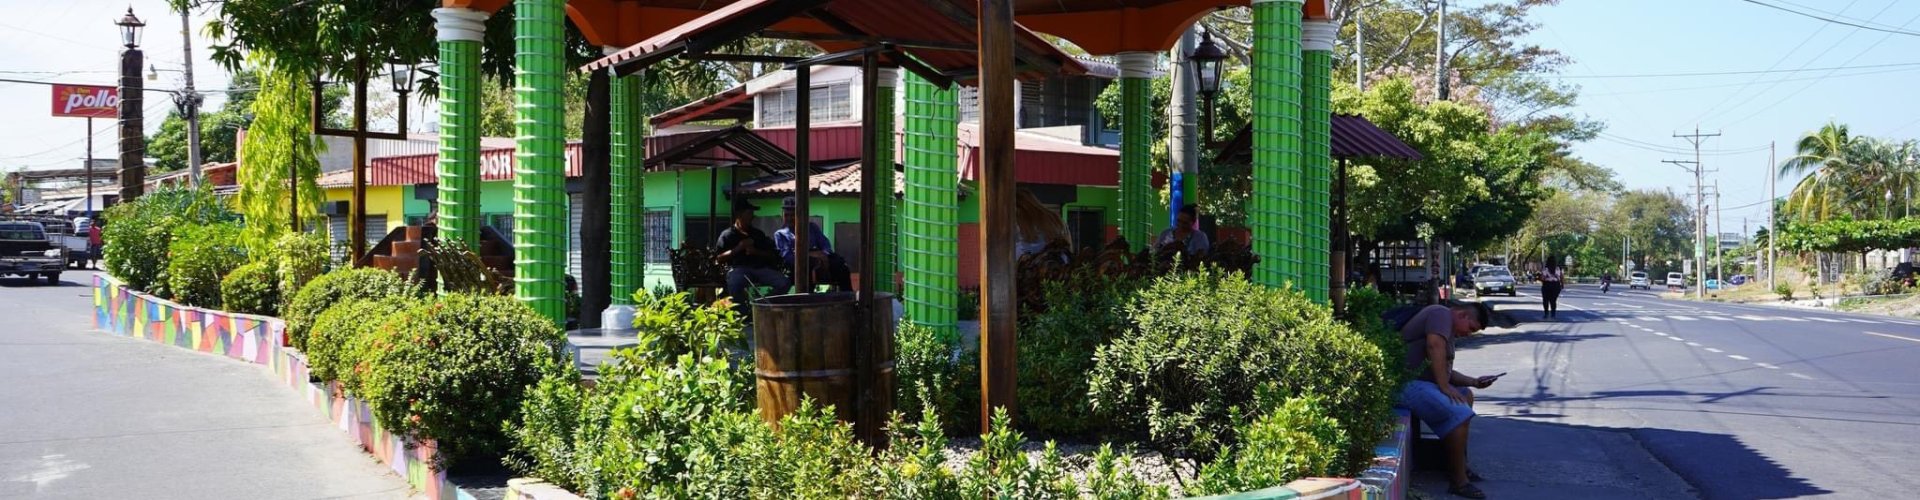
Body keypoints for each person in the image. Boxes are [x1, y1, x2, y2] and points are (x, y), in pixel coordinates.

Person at [1396, 302, 1498, 499]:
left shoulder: (1448, 331)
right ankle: (1459, 481)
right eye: (1471, 328)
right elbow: (1434, 345)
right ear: (1462, 315)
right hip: (1405, 382)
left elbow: (1444, 370)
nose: (1468, 334)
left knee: (1465, 394)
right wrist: (1443, 386)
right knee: (1460, 413)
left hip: (1420, 382)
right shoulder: (1441, 314)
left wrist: (1475, 382)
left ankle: (1458, 463)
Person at [716, 199, 790, 309]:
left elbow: (771, 254)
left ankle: (761, 305)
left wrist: (756, 252)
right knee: (734, 284)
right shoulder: (728, 235)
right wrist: (739, 248)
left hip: (760, 269)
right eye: (749, 213)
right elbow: (719, 258)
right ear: (739, 215)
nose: (752, 216)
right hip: (739, 269)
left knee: (784, 283)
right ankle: (743, 313)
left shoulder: (758, 234)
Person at [774, 196, 851, 291]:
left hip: (820, 260)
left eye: (793, 215)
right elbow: (788, 257)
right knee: (806, 266)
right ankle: (807, 299)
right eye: (786, 215)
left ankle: (847, 296)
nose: (790, 218)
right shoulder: (780, 234)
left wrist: (823, 255)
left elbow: (825, 245)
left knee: (840, 264)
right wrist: (809, 255)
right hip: (798, 266)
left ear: (799, 215)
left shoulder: (811, 228)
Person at [1013, 189, 1070, 258]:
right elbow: (1068, 247)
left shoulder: (1014, 222)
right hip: (1060, 264)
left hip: (1025, 266)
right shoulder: (1055, 219)